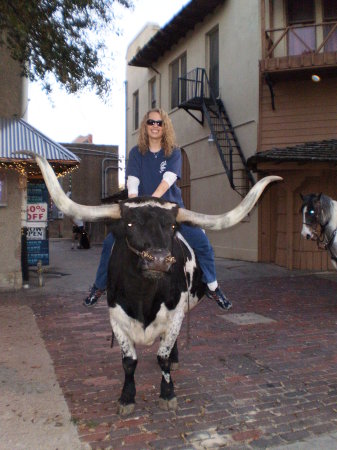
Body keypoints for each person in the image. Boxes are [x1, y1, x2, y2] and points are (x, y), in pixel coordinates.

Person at [83, 108, 232, 311]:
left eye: (159, 123)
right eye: (151, 122)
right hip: (141, 214)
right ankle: (99, 286)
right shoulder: (136, 153)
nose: (155, 126)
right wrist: (135, 207)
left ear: (165, 127)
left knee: (202, 243)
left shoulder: (173, 151)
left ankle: (213, 287)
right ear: (145, 126)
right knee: (110, 242)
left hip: (170, 211)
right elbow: (132, 183)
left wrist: (150, 202)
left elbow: (167, 181)